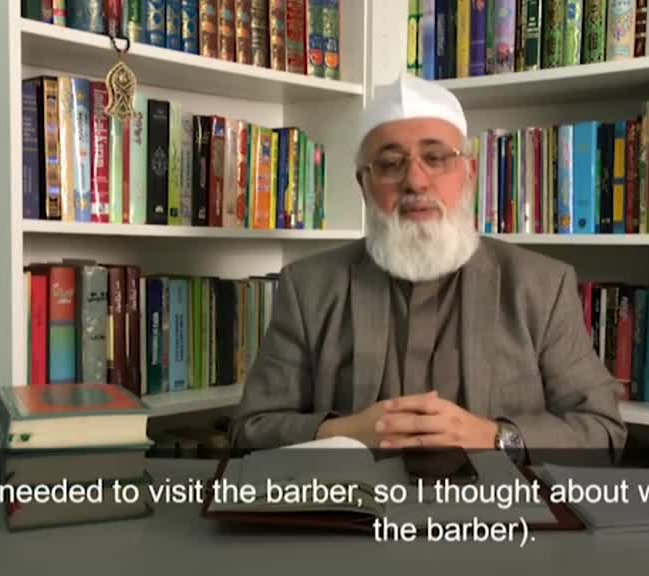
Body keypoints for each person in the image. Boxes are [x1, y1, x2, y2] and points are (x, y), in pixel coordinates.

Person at [229, 74, 627, 463]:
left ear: (468, 174)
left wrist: (495, 436)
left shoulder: (541, 285)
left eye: (436, 158)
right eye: (389, 164)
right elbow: (251, 430)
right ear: (364, 186)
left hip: (498, 518)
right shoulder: (310, 286)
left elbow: (603, 432)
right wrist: (344, 433)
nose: (415, 181)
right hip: (355, 520)